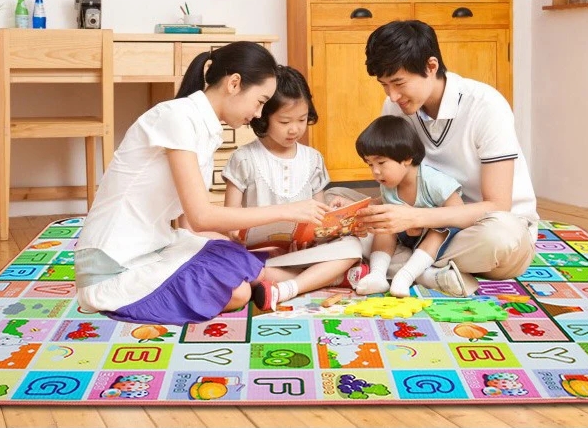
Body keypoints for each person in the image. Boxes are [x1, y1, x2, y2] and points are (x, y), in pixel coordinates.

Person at [74, 42, 331, 325]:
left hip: (156, 246)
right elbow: (201, 217)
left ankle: (325, 275)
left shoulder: (203, 127)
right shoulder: (176, 117)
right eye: (259, 101)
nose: (259, 114)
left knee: (237, 257)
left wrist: (238, 243)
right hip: (113, 265)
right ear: (234, 84)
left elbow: (188, 224)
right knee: (239, 290)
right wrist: (288, 211)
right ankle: (326, 275)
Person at [329, 20, 539, 296]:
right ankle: (428, 274)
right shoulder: (395, 106)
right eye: (384, 85)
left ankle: (393, 264)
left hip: (481, 226)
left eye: (399, 83)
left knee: (501, 239)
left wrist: (414, 218)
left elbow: (497, 206)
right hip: (419, 222)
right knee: (333, 201)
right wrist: (366, 210)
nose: (393, 95)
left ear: (431, 66)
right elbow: (396, 185)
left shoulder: (486, 106)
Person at [222, 65, 367, 311]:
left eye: (302, 120)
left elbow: (320, 218)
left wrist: (333, 223)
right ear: (263, 116)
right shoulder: (244, 158)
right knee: (240, 270)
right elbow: (228, 222)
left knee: (353, 247)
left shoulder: (313, 159)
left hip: (304, 253)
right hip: (261, 256)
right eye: (284, 121)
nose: (295, 129)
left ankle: (290, 286)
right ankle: (329, 278)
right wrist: (251, 240)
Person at [354, 115, 466, 297]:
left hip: (436, 240)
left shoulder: (433, 181)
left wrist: (422, 221)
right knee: (384, 222)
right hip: (407, 238)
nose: (375, 171)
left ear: (406, 158)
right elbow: (382, 203)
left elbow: (458, 213)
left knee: (439, 230)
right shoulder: (388, 184)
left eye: (381, 162)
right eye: (370, 164)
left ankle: (406, 275)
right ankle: (377, 274)